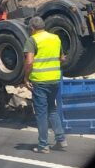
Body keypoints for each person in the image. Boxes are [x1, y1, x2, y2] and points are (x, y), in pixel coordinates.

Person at [23, 16, 67, 153]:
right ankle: (61, 140)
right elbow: (62, 58)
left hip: (40, 81)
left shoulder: (32, 40)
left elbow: (29, 62)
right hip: (54, 79)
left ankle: (43, 145)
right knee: (52, 109)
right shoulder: (55, 38)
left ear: (32, 28)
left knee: (41, 113)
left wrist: (26, 78)